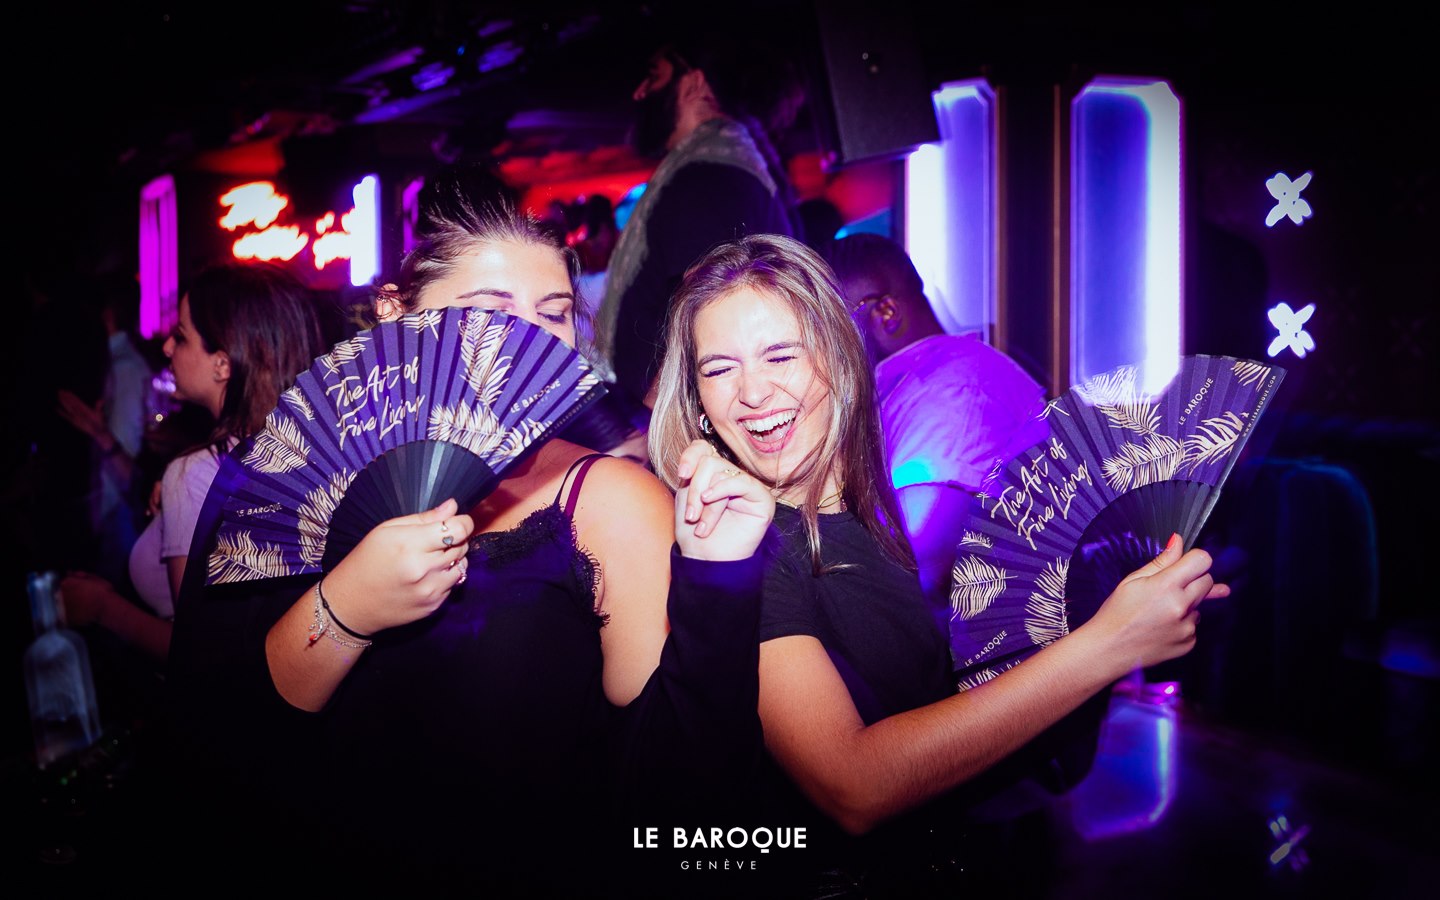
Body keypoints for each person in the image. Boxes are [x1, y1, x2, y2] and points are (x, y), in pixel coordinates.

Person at [164, 194, 775, 895]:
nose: (531, 340)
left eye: (554, 313)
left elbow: (682, 801)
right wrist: (346, 610)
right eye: (490, 310)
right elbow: (218, 742)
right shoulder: (283, 481)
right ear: (397, 313)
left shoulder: (609, 502)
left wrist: (719, 580)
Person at [647, 234, 1230, 896]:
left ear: (838, 355)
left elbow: (914, 696)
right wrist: (1110, 643)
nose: (752, 392)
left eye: (780, 354)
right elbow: (854, 786)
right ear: (697, 400)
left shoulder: (865, 508)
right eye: (719, 368)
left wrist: (1103, 600)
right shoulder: (745, 547)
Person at [59, 261, 328, 664]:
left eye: (181, 337)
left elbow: (200, 656)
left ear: (223, 364)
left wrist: (103, 608)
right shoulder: (315, 458)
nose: (167, 347)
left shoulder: (197, 472)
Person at [824, 233, 1050, 616]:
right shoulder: (916, 382)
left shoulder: (952, 384)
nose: (826, 348)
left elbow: (922, 564)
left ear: (886, 313)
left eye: (833, 327)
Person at [591, 26, 800, 423]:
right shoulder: (717, 166)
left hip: (667, 431)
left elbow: (710, 315)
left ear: (695, 82)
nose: (639, 93)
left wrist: (645, 432)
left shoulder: (708, 177)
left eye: (654, 76)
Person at [57, 272, 156, 587]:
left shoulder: (125, 367)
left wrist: (101, 513)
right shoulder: (113, 361)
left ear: (107, 314)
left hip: (120, 511)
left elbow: (125, 443)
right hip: (115, 505)